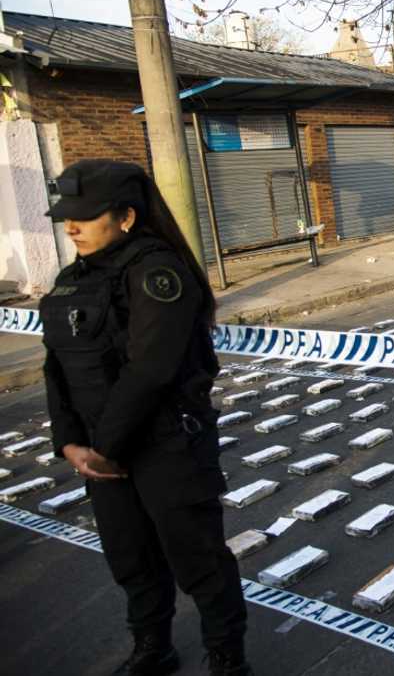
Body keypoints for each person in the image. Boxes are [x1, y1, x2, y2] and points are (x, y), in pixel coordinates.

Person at [40, 160, 250, 676]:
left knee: (198, 561)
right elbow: (56, 367)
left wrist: (103, 449)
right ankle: (152, 647)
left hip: (164, 447)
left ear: (127, 217)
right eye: (67, 217)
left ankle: (227, 657)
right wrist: (70, 442)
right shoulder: (72, 280)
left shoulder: (158, 273)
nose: (71, 227)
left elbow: (150, 370)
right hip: (100, 454)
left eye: (86, 217)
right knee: (130, 560)